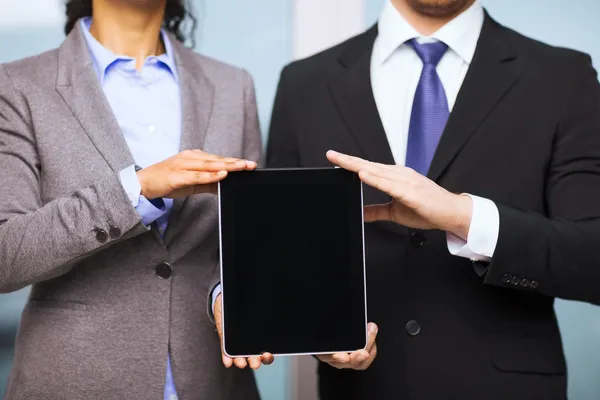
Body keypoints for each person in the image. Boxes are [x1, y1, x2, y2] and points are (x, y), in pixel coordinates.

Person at [266, 0, 600, 398]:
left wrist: (466, 218)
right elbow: (281, 254)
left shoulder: (562, 76)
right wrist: (319, 333)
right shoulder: (304, 83)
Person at [0, 0, 272, 399]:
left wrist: (225, 294)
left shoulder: (233, 85)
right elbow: (7, 253)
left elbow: (246, 239)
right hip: (74, 377)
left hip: (213, 379)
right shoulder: (18, 85)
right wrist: (139, 190)